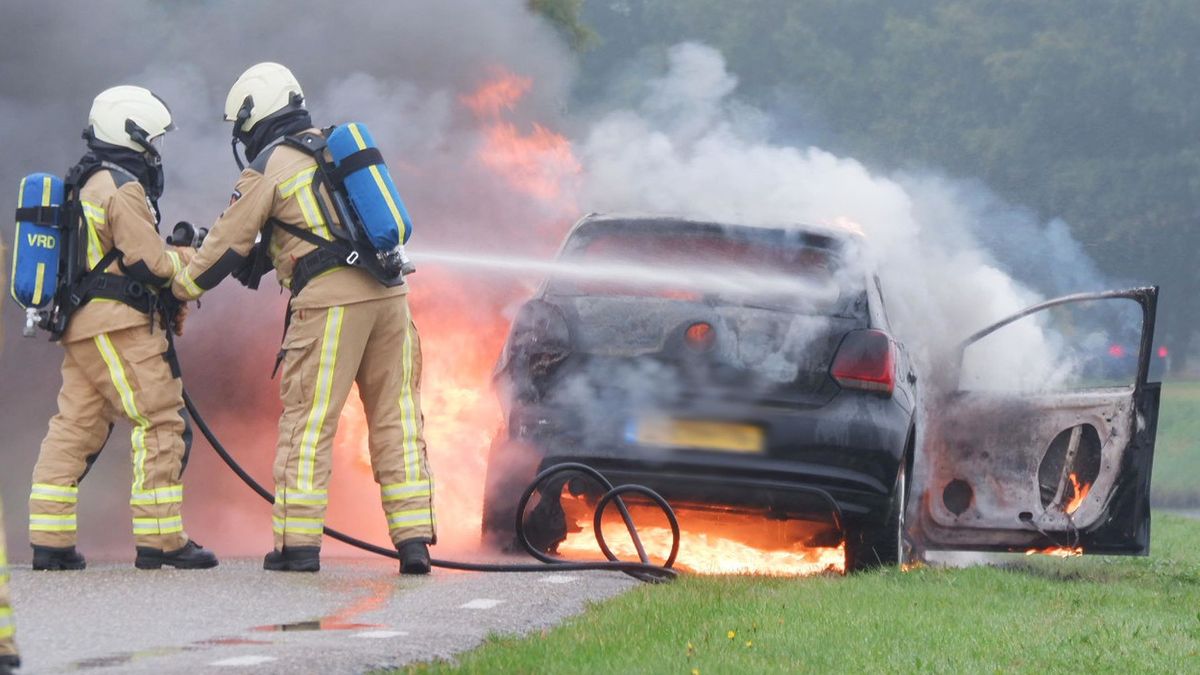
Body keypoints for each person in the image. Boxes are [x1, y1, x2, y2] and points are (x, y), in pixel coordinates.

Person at [172, 62, 435, 574]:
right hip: (391, 299)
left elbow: (227, 247)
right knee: (397, 418)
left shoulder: (270, 165)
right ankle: (414, 544)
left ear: (255, 118)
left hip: (331, 305)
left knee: (308, 421)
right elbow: (276, 246)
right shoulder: (335, 149)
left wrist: (179, 287)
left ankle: (297, 546)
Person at [27, 86, 217, 571]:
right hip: (120, 327)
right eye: (152, 138)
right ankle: (162, 541)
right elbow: (150, 263)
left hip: (83, 327)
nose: (155, 149)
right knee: (159, 421)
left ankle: (50, 541)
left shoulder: (85, 181)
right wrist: (188, 258)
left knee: (77, 425)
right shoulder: (122, 187)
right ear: (130, 133)